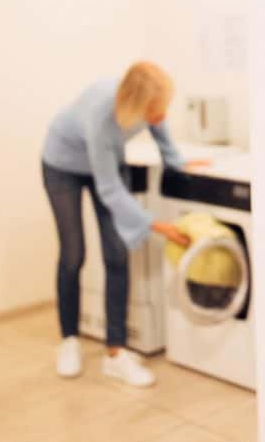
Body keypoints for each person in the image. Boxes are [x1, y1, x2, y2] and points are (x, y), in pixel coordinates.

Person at [42, 61, 200, 387]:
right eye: (156, 110)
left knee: (116, 253)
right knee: (73, 253)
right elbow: (109, 189)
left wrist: (179, 164)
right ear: (136, 107)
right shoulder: (101, 115)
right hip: (62, 167)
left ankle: (115, 352)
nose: (162, 115)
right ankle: (69, 340)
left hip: (107, 165)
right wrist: (158, 226)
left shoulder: (147, 103)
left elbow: (162, 135)